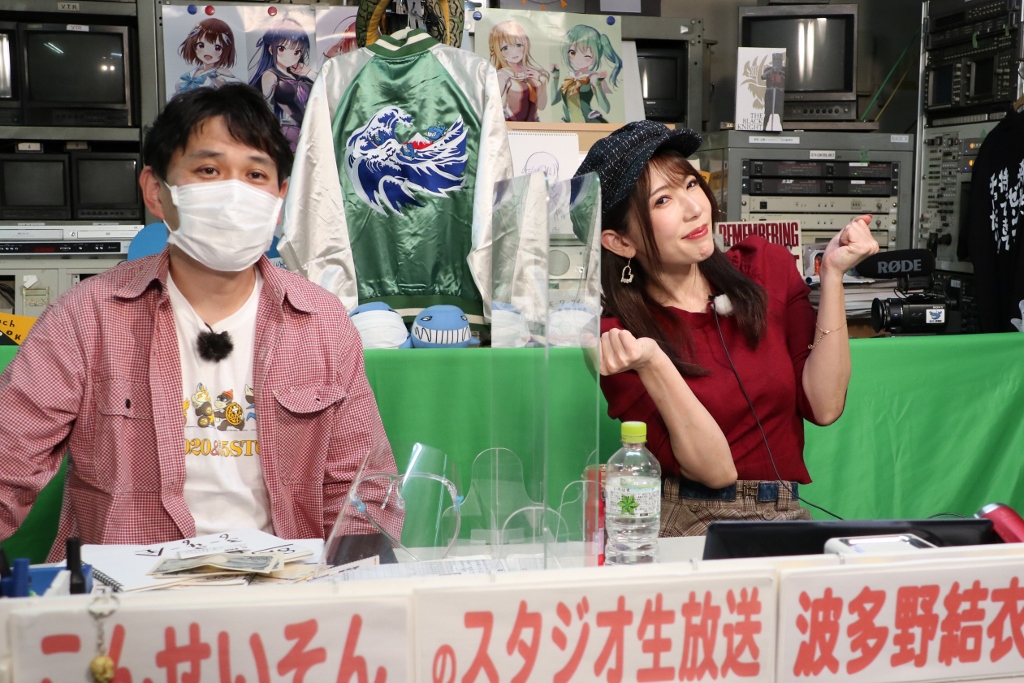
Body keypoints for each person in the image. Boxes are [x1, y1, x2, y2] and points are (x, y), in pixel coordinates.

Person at [0, 84, 398, 561]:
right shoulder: (86, 316)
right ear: (156, 190)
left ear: (280, 199)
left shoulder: (322, 322)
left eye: (255, 174)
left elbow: (361, 488)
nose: (234, 193)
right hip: (129, 590)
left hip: (283, 586)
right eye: (208, 170)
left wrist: (356, 580)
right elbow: (9, 460)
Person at [581, 121, 878, 536]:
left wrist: (832, 275)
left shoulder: (766, 268)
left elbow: (825, 406)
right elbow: (716, 472)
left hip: (786, 514)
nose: (694, 207)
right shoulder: (620, 337)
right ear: (620, 242)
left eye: (690, 184)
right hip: (688, 519)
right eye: (663, 200)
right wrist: (652, 361)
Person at [248, 18, 315, 151]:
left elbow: (324, 91)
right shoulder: (270, 75)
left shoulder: (300, 76)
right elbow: (268, 107)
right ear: (271, 49)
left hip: (305, 132)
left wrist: (309, 73)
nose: (289, 56)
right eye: (282, 48)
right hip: (284, 131)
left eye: (296, 51)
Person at [550, 24, 622, 124]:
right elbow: (553, 101)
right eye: (573, 53)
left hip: (588, 124)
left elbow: (606, 108)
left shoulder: (592, 77)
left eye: (587, 56)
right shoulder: (570, 77)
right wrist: (555, 76)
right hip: (568, 125)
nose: (578, 60)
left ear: (595, 58)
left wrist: (598, 84)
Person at [488, 21, 549, 122]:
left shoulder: (532, 72)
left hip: (535, 125)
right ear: (498, 51)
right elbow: (493, 108)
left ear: (525, 45)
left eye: (518, 45)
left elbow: (542, 106)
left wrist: (542, 82)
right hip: (511, 127)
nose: (514, 52)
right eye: (505, 48)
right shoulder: (502, 76)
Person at [175, 18, 241, 95]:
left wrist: (223, 84)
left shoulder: (222, 74)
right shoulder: (193, 73)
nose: (207, 52)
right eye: (201, 45)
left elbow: (239, 92)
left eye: (217, 48)